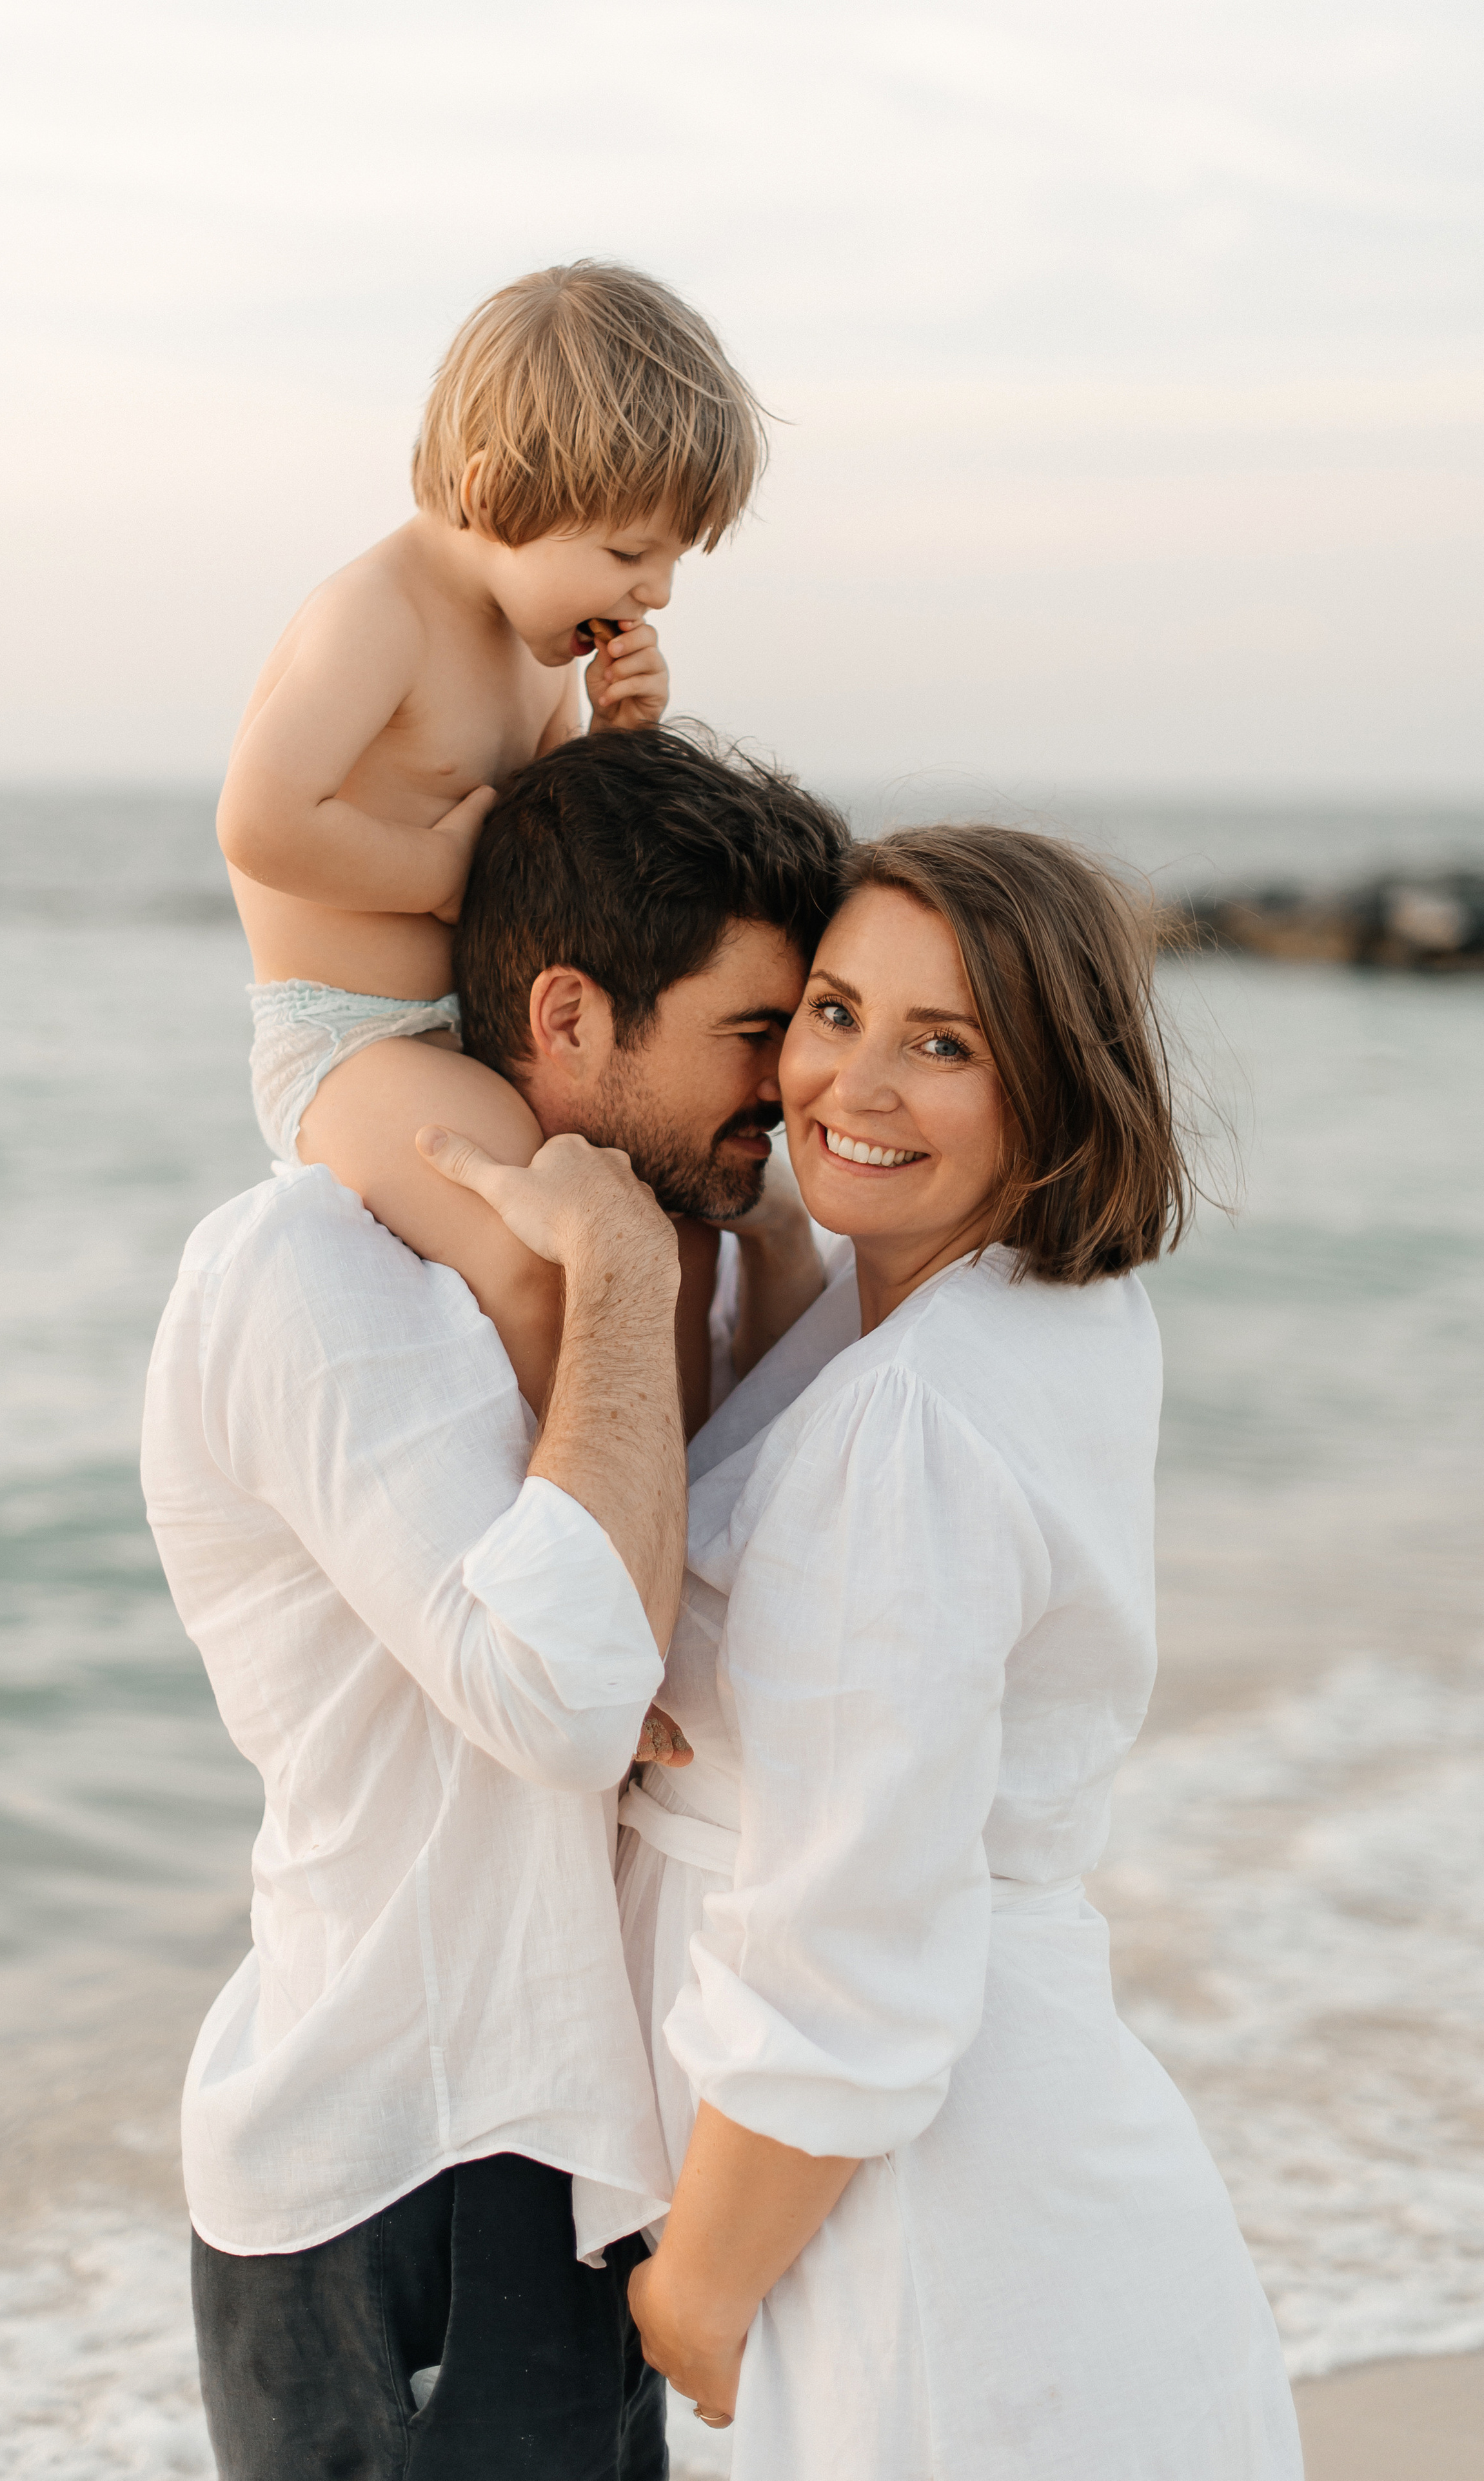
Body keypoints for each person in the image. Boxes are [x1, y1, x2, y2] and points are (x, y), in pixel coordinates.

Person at [141, 729, 847, 2480]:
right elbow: (557, 1698)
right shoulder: (308, 1272)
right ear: (569, 1018)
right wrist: (608, 1267)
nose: (792, 1088)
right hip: (401, 2156)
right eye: (755, 1038)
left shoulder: (696, 1253)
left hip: (590, 2147)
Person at [617, 826, 1305, 2478]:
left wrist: (698, 2282)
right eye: (831, 1011)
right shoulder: (1012, 1307)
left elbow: (853, 1922)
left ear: (1056, 1087)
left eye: (945, 1044)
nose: (850, 1081)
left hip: (902, 2214)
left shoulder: (920, 1416)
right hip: (983, 2140)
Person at [215, 259, 767, 1414]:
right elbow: (263, 822)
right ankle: (553, 1510)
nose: (656, 590)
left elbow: (550, 831)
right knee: (538, 1255)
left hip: (476, 1026)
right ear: (494, 485)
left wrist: (617, 737)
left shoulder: (535, 646)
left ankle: (680, 1484)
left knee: (669, 1230)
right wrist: (440, 876)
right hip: (356, 1040)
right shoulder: (380, 616)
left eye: (671, 558)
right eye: (629, 555)